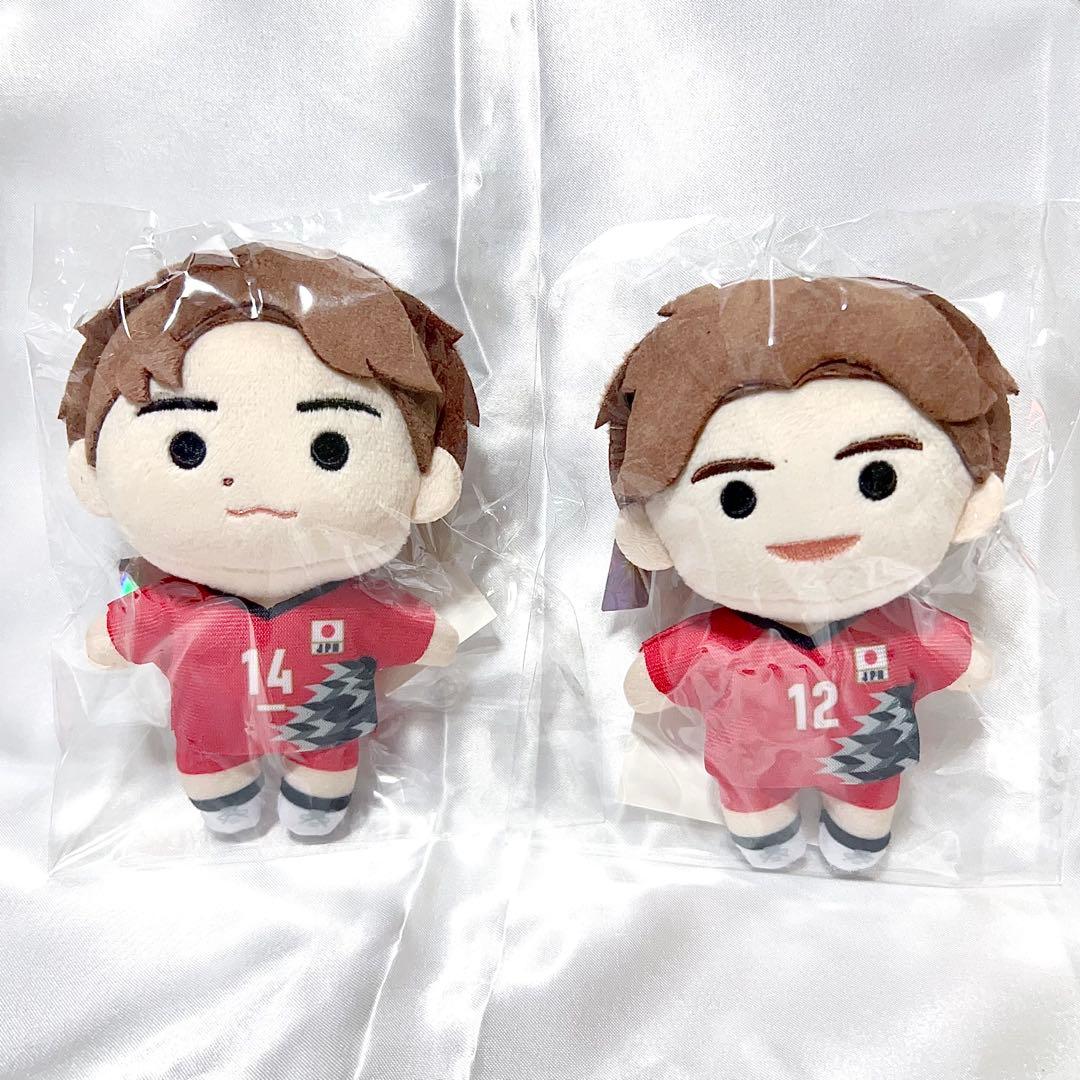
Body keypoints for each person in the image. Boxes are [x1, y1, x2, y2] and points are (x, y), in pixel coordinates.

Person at [597, 276, 1016, 870]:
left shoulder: (899, 630)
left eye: (877, 479)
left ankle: (857, 837)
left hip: (867, 764)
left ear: (971, 502)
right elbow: (653, 676)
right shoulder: (720, 643)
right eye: (737, 496)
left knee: (866, 804)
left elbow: (964, 660)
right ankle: (765, 835)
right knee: (755, 803)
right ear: (650, 534)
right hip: (752, 770)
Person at [60, 243, 479, 837]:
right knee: (211, 760)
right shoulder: (177, 608)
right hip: (211, 731)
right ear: (94, 473)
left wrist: (432, 635)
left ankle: (315, 801)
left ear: (427, 482)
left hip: (325, 726)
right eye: (187, 447)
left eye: (329, 447)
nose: (253, 484)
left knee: (326, 763)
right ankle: (225, 795)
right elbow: (115, 636)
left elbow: (421, 633)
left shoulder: (351, 608)